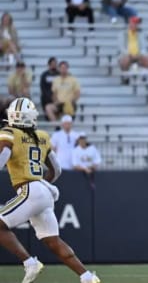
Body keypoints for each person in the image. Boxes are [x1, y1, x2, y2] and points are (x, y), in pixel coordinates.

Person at [0, 98, 100, 283]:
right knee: (53, 241)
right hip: (43, 191)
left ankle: (29, 262)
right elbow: (57, 169)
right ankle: (87, 277)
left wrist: (34, 186)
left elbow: (3, 156)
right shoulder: (42, 136)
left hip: (30, 189)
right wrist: (41, 184)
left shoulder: (8, 133)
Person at [118, 16, 148, 83]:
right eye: (134, 23)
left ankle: (144, 75)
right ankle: (125, 77)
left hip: (138, 55)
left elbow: (144, 47)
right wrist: (129, 54)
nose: (136, 25)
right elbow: (121, 48)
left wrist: (139, 54)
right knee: (125, 59)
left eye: (137, 23)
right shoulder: (122, 34)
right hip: (127, 55)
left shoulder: (141, 34)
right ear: (130, 23)